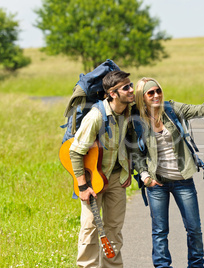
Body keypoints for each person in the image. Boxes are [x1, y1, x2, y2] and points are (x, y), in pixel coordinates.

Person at [132, 77, 204, 268]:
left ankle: (196, 265)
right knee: (159, 231)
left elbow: (197, 110)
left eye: (158, 90)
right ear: (142, 97)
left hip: (183, 180)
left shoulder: (171, 109)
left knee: (194, 229)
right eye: (151, 93)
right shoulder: (136, 121)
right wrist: (145, 176)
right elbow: (135, 153)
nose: (156, 95)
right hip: (157, 184)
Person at [69, 70, 135, 267]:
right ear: (113, 93)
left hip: (116, 179)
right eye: (126, 87)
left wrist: (127, 169)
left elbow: (127, 142)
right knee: (90, 228)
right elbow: (75, 152)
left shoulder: (128, 111)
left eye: (131, 85)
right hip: (92, 182)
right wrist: (83, 187)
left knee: (114, 230)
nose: (132, 90)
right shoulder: (96, 116)